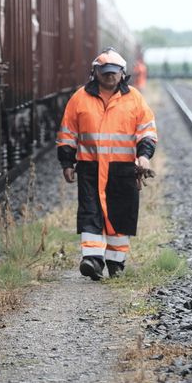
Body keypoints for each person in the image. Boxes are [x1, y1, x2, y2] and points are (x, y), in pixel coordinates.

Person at [55, 48, 158, 280]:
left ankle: (116, 263)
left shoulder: (134, 99)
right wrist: (67, 162)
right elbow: (67, 134)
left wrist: (144, 156)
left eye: (114, 72)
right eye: (105, 72)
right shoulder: (79, 98)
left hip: (123, 169)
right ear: (95, 73)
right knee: (91, 211)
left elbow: (147, 132)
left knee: (120, 215)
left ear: (123, 74)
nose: (110, 76)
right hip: (90, 167)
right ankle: (92, 259)